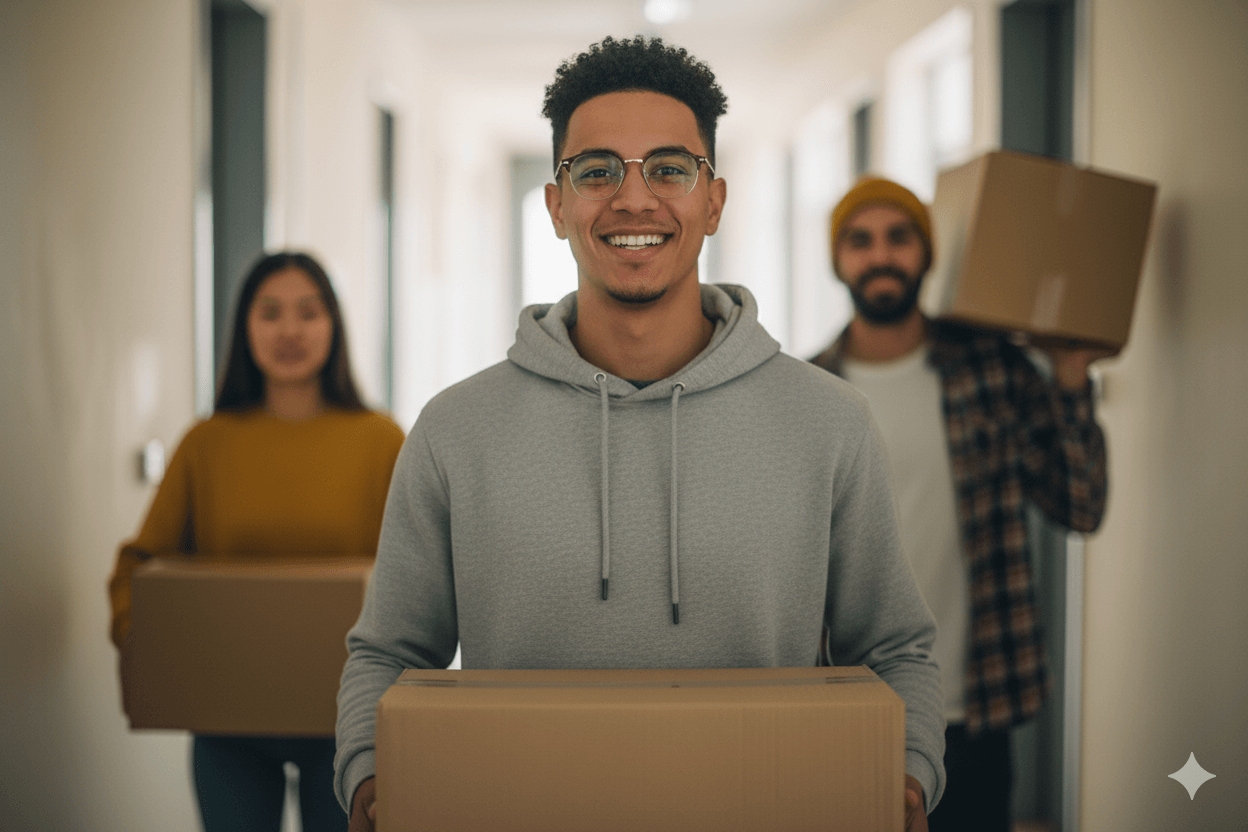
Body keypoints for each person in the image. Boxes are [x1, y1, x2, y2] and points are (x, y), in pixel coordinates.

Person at [335, 36, 944, 832]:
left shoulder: (827, 422)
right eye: (596, 171)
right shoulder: (456, 430)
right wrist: (369, 774)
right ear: (557, 206)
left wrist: (905, 773)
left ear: (713, 200)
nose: (633, 200)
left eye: (668, 168)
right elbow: (387, 653)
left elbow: (896, 647)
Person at [810, 176, 1108, 831]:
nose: (880, 255)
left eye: (899, 237)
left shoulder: (993, 371)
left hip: (973, 704)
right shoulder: (809, 394)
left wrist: (1068, 376)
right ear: (838, 261)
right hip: (846, 704)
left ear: (926, 252)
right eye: (860, 241)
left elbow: (1080, 507)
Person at [109, 251, 406, 832]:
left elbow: (417, 575)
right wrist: (149, 646)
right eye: (269, 313)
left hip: (349, 725)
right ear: (245, 327)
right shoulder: (206, 443)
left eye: (308, 312)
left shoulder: (382, 441)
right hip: (227, 723)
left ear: (334, 325)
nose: (289, 331)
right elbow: (138, 566)